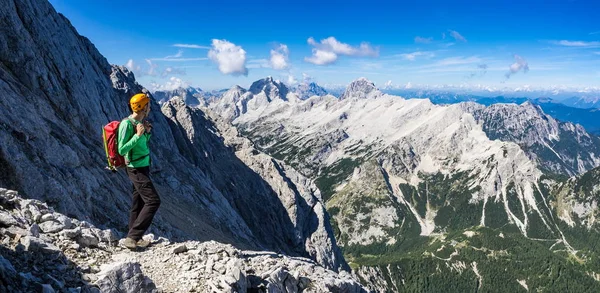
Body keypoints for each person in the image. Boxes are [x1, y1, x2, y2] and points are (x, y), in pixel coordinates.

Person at [118, 93, 161, 249]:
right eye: (148, 105)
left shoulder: (140, 122)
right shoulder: (127, 124)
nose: (150, 108)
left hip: (143, 166)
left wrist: (146, 133)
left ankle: (135, 237)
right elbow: (122, 149)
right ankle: (132, 237)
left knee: (139, 202)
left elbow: (141, 145)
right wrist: (138, 135)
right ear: (143, 107)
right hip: (135, 168)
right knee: (153, 201)